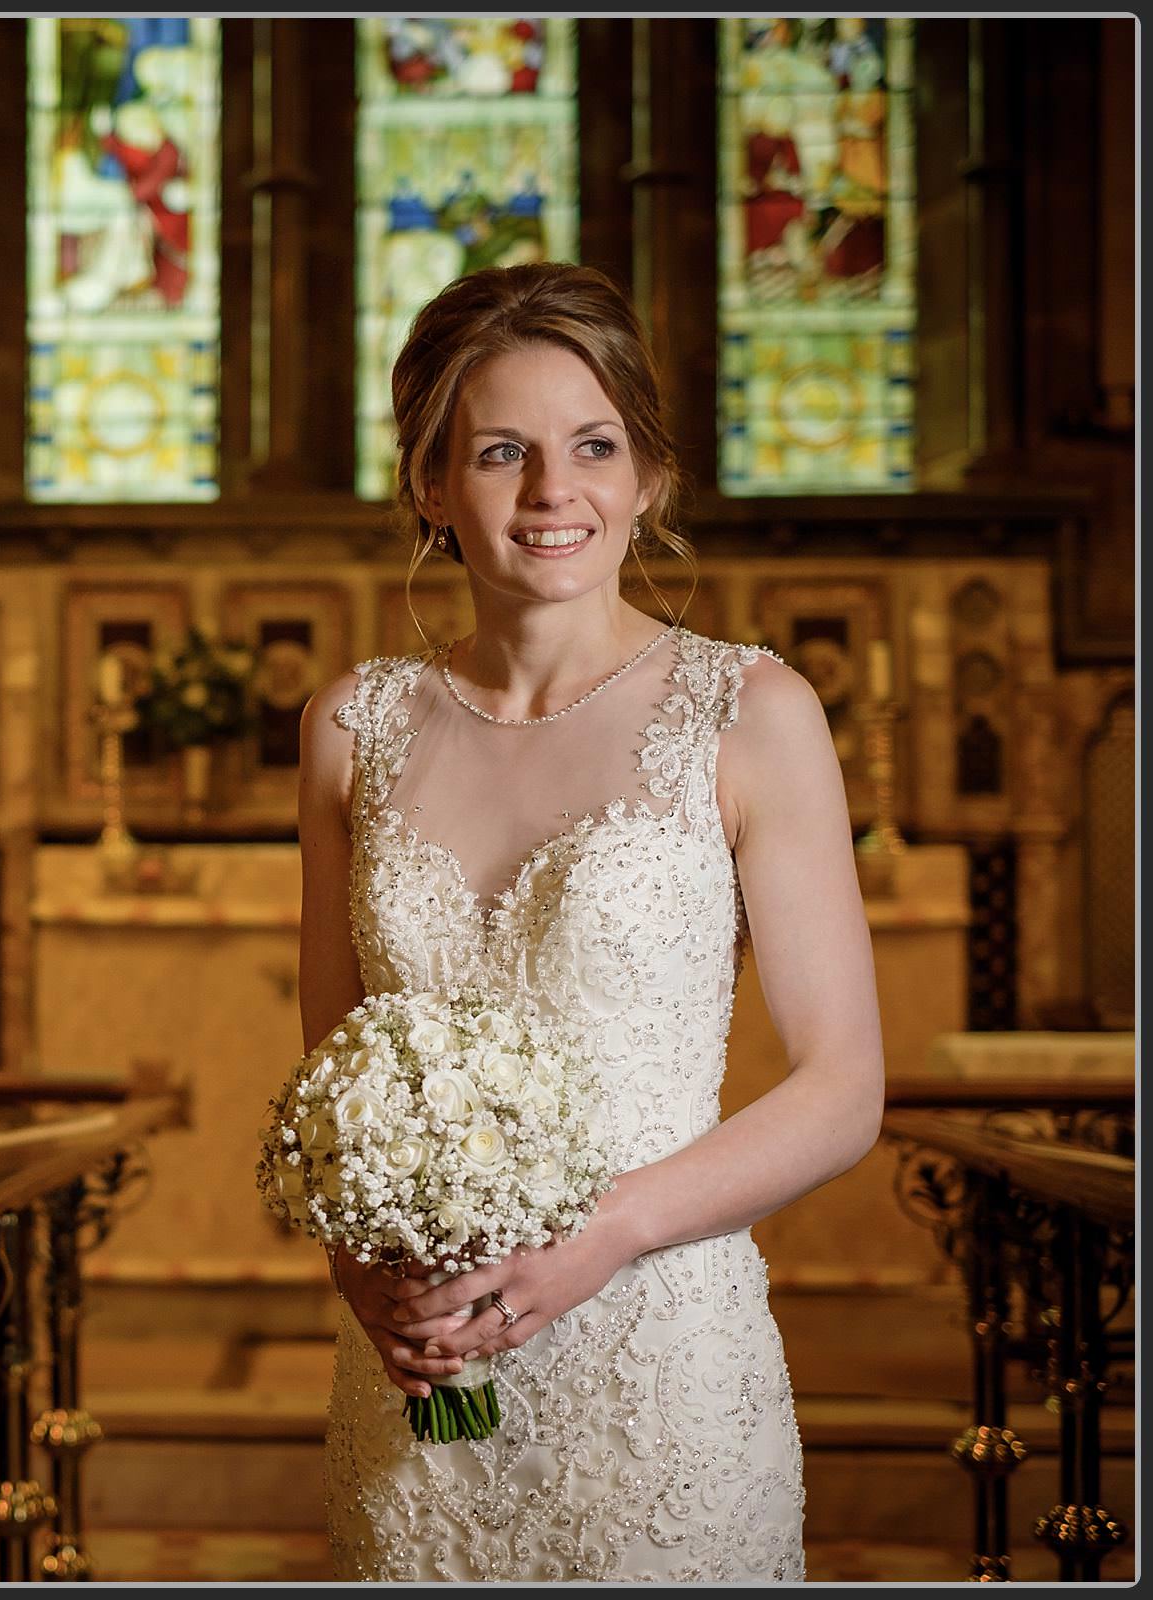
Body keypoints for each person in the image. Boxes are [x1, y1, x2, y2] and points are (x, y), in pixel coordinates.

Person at [296, 261, 884, 1580]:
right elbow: (332, 1082)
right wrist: (368, 1280)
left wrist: (603, 1233)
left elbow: (844, 1086)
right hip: (420, 1392)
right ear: (433, 486)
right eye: (503, 451)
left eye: (593, 446)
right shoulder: (352, 731)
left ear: (649, 478)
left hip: (662, 1371)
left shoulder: (750, 715)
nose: (554, 491)